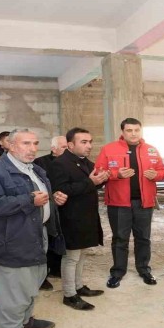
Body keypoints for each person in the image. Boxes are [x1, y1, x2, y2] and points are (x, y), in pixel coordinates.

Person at [0, 129, 66, 328]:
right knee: (13, 290)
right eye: (26, 143)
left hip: (35, 233)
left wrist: (52, 199)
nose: (33, 148)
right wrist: (28, 200)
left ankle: (25, 320)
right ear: (11, 145)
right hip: (10, 239)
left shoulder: (34, 169)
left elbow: (39, 198)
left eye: (35, 143)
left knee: (32, 283)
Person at [95, 118, 164, 289]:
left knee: (143, 238)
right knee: (120, 238)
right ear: (122, 132)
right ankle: (117, 272)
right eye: (129, 130)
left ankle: (144, 269)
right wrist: (116, 174)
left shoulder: (151, 149)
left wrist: (156, 175)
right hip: (118, 203)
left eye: (136, 130)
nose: (133, 134)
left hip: (144, 203)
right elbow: (98, 172)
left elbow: (163, 171)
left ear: (141, 131)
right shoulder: (108, 149)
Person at [47, 128, 108, 310]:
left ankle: (79, 286)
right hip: (71, 217)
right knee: (71, 257)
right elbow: (61, 190)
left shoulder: (85, 162)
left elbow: (90, 184)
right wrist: (91, 182)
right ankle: (69, 294)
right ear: (70, 145)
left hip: (86, 216)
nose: (89, 146)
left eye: (90, 142)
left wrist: (102, 179)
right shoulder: (60, 164)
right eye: (84, 142)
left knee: (81, 255)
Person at [33, 135, 69, 289]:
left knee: (61, 237)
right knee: (46, 239)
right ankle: (43, 275)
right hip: (47, 205)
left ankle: (56, 268)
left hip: (66, 205)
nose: (67, 150)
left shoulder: (71, 162)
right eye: (64, 147)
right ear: (53, 149)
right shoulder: (40, 162)